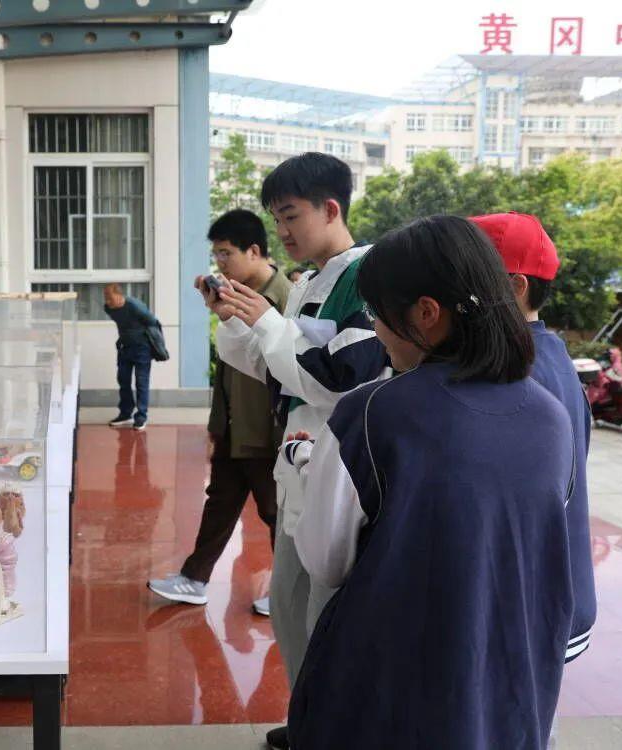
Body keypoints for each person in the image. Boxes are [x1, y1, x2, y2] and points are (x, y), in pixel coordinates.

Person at [284, 215, 574, 748]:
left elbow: (325, 559)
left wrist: (308, 465)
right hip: (507, 682)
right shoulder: (551, 414)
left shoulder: (372, 412)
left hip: (388, 687)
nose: (375, 330)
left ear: (425, 313)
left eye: (377, 313)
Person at [204, 153, 389, 750]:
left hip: (340, 470)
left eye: (290, 215)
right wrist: (237, 320)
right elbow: (272, 366)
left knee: (325, 614)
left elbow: (339, 379)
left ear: (330, 208)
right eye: (276, 218)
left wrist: (266, 323)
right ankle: (310, 717)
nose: (281, 231)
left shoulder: (368, 276)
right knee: (288, 607)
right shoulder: (308, 282)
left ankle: (333, 728)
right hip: (298, 466)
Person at [470, 212, 596, 745]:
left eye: (471, 279)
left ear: (516, 286)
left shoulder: (518, 372)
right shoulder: (551, 354)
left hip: (532, 603)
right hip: (551, 593)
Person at [148, 209, 292, 607]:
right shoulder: (233, 297)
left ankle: (287, 593)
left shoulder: (286, 299)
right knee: (220, 503)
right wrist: (217, 424)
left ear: (254, 251)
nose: (220, 263)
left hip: (266, 432)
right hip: (233, 428)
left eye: (226, 253)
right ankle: (194, 579)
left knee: (278, 514)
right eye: (217, 255)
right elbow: (228, 368)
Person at [104, 283, 159, 431]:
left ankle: (141, 417)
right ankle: (125, 414)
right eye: (105, 298)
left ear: (119, 295)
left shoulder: (135, 306)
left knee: (141, 382)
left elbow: (152, 322)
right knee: (123, 380)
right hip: (124, 348)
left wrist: (144, 339)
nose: (107, 301)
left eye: (110, 298)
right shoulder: (108, 308)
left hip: (142, 349)